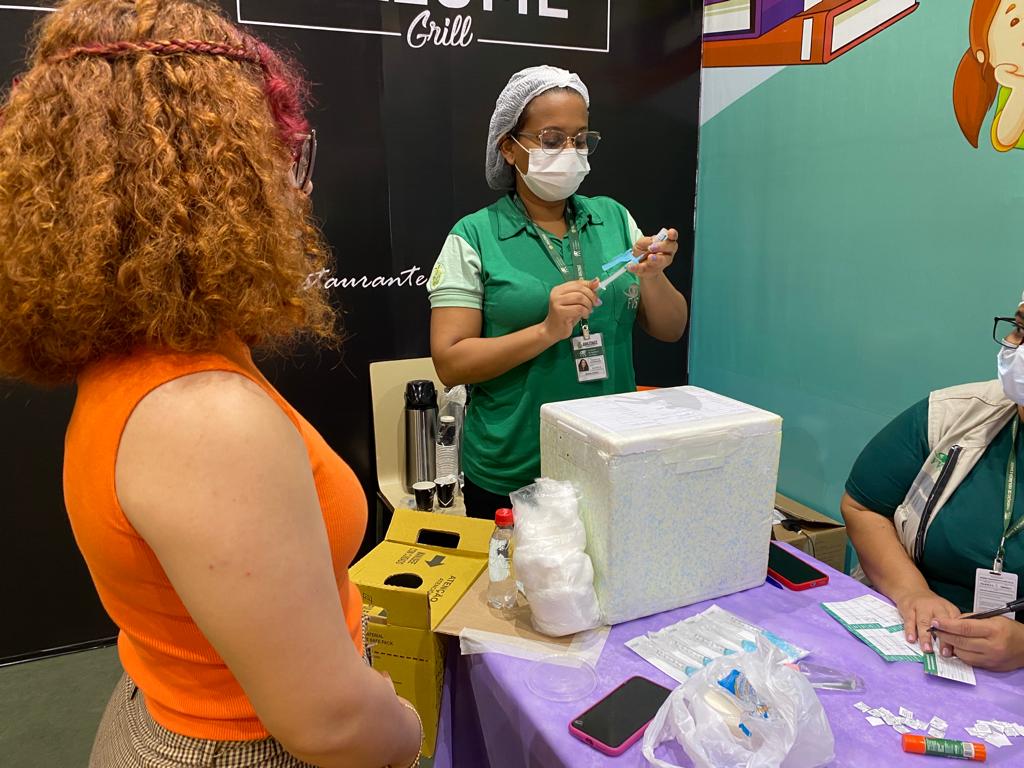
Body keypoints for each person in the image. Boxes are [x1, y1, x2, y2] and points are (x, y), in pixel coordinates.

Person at [0, 2, 422, 766]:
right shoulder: (199, 416)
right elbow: (331, 726)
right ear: (217, 181)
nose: (298, 187)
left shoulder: (152, 363)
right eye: (280, 154)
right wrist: (408, 726)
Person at [428, 65, 688, 518]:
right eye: (551, 139)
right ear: (509, 147)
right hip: (515, 472)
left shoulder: (613, 218)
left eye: (581, 139)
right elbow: (450, 362)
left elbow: (671, 328)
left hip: (611, 457)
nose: (570, 151)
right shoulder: (474, 236)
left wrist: (652, 275)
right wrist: (546, 331)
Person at [841, 296, 1024, 672]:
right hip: (915, 635)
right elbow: (863, 506)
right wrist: (911, 591)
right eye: (1021, 328)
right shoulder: (955, 413)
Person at [953, 0, 1024, 151]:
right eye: (1014, 21)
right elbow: (1005, 138)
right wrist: (1020, 87)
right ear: (983, 55)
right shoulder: (1013, 94)